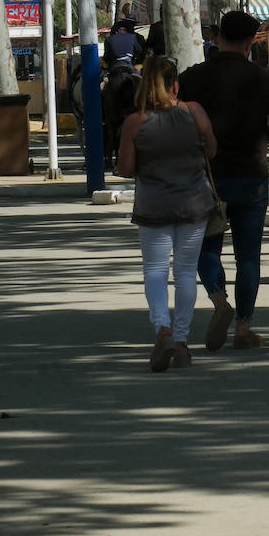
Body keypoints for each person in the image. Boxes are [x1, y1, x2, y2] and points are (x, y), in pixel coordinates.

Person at [178, 10, 269, 352]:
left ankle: (218, 300)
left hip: (206, 177)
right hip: (251, 176)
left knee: (205, 246)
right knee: (248, 255)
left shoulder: (192, 78)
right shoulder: (264, 79)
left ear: (216, 35)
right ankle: (243, 325)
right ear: (250, 40)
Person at [115, 57, 217, 372]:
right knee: (186, 273)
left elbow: (125, 168)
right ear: (175, 85)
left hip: (154, 206)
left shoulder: (135, 122)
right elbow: (211, 151)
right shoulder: (195, 112)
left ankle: (163, 329)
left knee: (156, 271)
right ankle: (183, 342)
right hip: (194, 204)